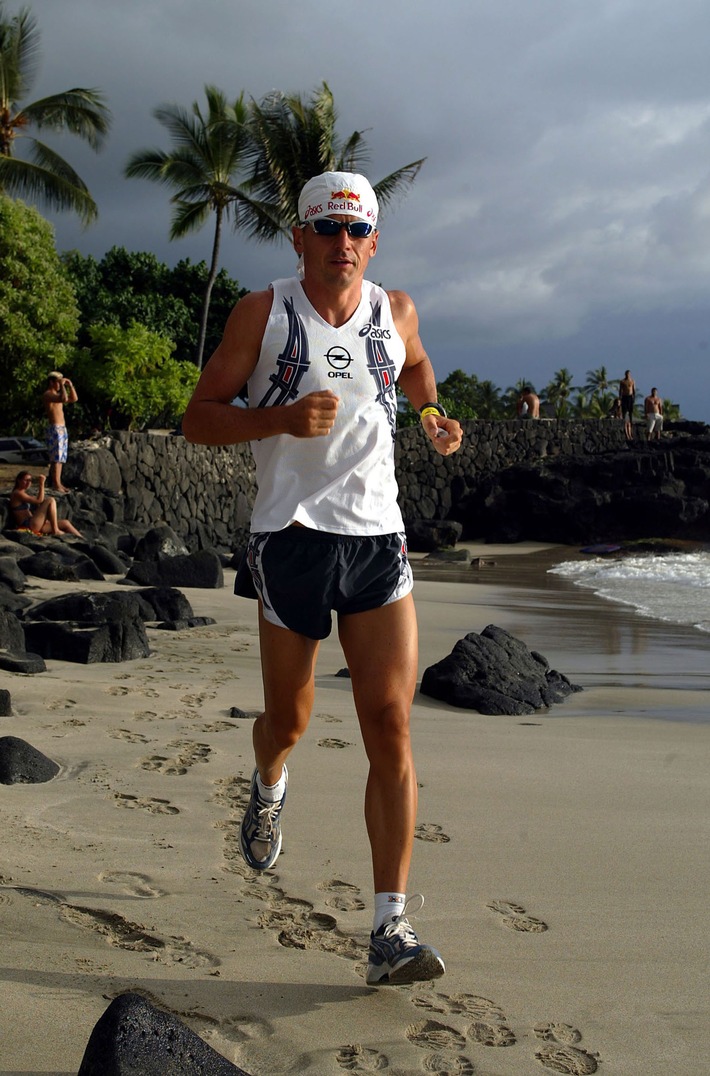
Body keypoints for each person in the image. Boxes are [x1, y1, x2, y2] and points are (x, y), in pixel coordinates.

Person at [183, 171, 463, 986]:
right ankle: (268, 779)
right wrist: (276, 418)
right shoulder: (262, 314)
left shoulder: (397, 309)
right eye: (327, 230)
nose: (343, 244)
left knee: (390, 723)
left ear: (373, 242)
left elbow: (414, 370)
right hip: (292, 538)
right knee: (291, 720)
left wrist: (434, 418)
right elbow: (199, 417)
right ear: (299, 238)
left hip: (379, 537)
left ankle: (390, 928)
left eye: (357, 231)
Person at [8, 472, 82, 537]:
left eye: (30, 480)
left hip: (34, 523)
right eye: (26, 480)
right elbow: (39, 500)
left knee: (65, 523)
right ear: (18, 480)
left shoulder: (23, 493)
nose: (28, 483)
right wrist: (42, 483)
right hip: (29, 525)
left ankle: (82, 540)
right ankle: (55, 530)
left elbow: (37, 502)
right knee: (50, 500)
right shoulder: (17, 493)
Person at [43, 371, 78, 492]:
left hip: (62, 428)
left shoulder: (57, 395)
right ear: (51, 382)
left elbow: (73, 398)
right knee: (56, 458)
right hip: (55, 428)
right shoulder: (48, 394)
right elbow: (63, 398)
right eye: (57, 382)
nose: (59, 385)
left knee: (61, 457)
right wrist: (63, 386)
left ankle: (59, 482)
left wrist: (69, 385)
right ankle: (56, 483)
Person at [618, 370, 636, 441]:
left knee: (630, 411)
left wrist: (634, 397)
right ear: (625, 374)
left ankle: (631, 422)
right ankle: (624, 420)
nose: (628, 375)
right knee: (624, 411)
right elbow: (620, 390)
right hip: (624, 397)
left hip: (630, 397)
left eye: (629, 374)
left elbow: (634, 390)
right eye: (626, 374)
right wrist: (620, 398)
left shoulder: (632, 381)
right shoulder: (622, 381)